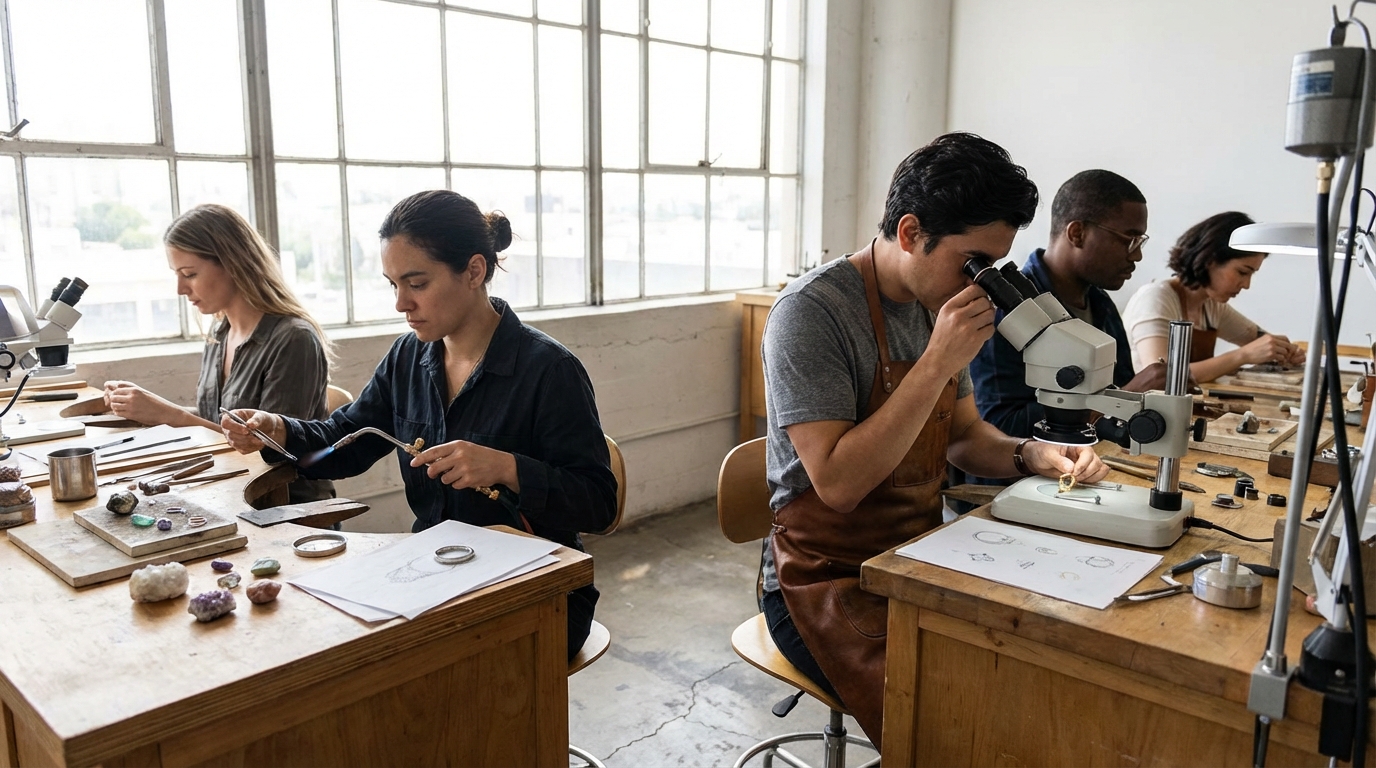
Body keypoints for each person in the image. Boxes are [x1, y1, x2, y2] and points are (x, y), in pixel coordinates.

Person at [760, 133, 1108, 747]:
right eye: (970, 260)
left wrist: (1031, 455)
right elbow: (838, 485)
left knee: (1039, 660)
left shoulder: (939, 300)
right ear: (912, 232)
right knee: (954, 712)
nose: (978, 282)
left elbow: (966, 437)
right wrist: (935, 361)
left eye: (992, 264)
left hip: (918, 555)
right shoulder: (810, 313)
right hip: (823, 579)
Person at [220, 190, 616, 660]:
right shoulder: (408, 357)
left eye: (417, 283)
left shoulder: (548, 370)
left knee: (401, 663)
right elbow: (345, 443)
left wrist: (508, 468)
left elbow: (598, 505)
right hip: (435, 571)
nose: (401, 304)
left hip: (541, 591)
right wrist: (277, 429)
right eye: (393, 285)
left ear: (474, 271)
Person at [103, 204, 335, 503]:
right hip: (224, 493)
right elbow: (222, 424)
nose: (180, 289)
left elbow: (273, 450)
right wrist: (148, 409)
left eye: (189, 273)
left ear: (233, 264)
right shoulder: (219, 332)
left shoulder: (294, 339)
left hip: (285, 509)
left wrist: (170, 415)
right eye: (177, 274)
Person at [969, 170, 1166, 444]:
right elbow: (999, 428)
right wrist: (1124, 396)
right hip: (1020, 478)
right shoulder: (1007, 311)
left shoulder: (1100, 303)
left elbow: (1118, 392)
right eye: (1128, 240)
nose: (1137, 255)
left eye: (1140, 241)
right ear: (1077, 233)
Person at [1123, 211, 1304, 382]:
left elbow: (1261, 342)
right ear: (1210, 260)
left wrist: (1283, 351)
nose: (1246, 285)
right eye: (1242, 272)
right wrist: (1244, 355)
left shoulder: (1211, 306)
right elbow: (1161, 377)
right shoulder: (1156, 298)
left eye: (1252, 274)